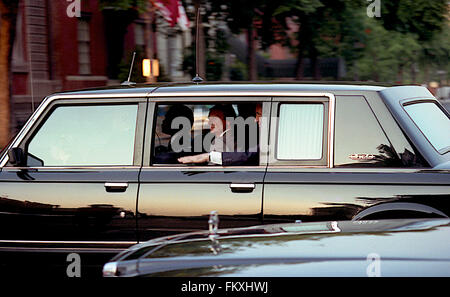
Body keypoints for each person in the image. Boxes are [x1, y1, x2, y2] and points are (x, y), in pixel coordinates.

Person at [178, 103, 262, 166]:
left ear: (228, 121)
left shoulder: (234, 142)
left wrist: (204, 157)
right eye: (209, 119)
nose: (210, 122)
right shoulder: (208, 139)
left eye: (215, 118)